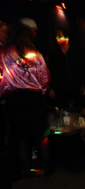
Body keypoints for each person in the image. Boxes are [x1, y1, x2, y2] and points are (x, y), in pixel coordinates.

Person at [0, 18, 51, 177]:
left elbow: (2, 78)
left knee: (22, 137)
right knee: (41, 134)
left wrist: (4, 93)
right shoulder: (35, 53)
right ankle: (47, 168)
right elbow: (45, 77)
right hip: (35, 98)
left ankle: (26, 170)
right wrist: (42, 92)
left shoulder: (4, 53)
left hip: (15, 99)